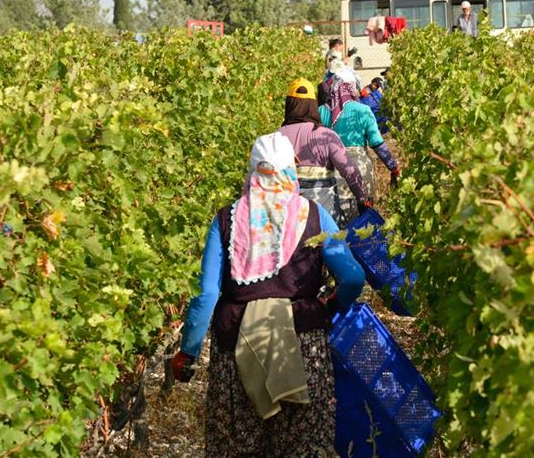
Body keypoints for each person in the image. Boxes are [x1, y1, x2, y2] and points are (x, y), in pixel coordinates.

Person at [168, 132, 366, 457]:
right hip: (302, 346)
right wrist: (332, 304)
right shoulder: (315, 216)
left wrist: (188, 352)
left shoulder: (226, 220)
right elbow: (353, 277)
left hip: (237, 348)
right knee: (302, 446)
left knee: (237, 445)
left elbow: (207, 293)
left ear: (252, 170)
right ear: (291, 169)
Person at [279, 78, 370, 226]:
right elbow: (349, 170)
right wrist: (362, 199)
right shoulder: (326, 136)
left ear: (289, 105)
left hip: (288, 218)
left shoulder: (276, 138)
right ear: (313, 105)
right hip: (325, 215)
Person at [320, 76, 400, 222]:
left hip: (334, 172)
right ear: (352, 89)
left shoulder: (322, 112)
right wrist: (393, 167)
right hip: (361, 170)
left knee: (339, 222)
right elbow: (377, 143)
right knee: (364, 221)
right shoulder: (363, 110)